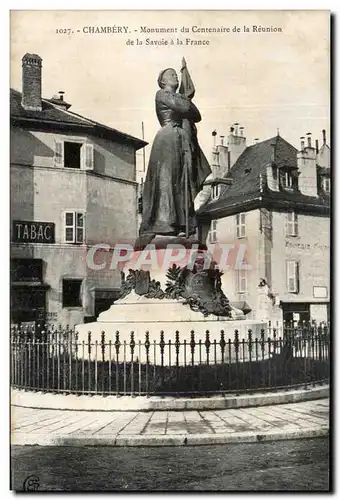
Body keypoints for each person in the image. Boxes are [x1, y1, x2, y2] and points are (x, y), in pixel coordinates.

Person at [139, 66, 211, 238]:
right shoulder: (162, 94)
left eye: (175, 74)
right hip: (168, 138)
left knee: (181, 181)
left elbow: (196, 114)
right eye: (171, 75)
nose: (175, 77)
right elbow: (187, 109)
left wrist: (185, 100)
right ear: (163, 81)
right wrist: (185, 100)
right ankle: (165, 222)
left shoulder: (177, 97)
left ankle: (181, 223)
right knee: (167, 179)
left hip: (181, 139)